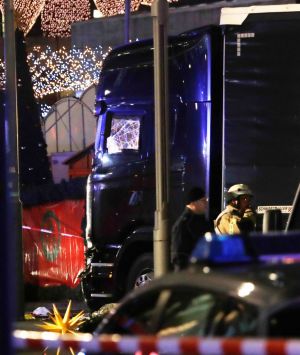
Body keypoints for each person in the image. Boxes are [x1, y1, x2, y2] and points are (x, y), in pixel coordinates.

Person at [171, 187, 213, 270]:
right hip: (191, 275)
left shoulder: (201, 220)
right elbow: (179, 256)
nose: (206, 204)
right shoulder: (184, 224)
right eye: (203, 200)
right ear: (193, 203)